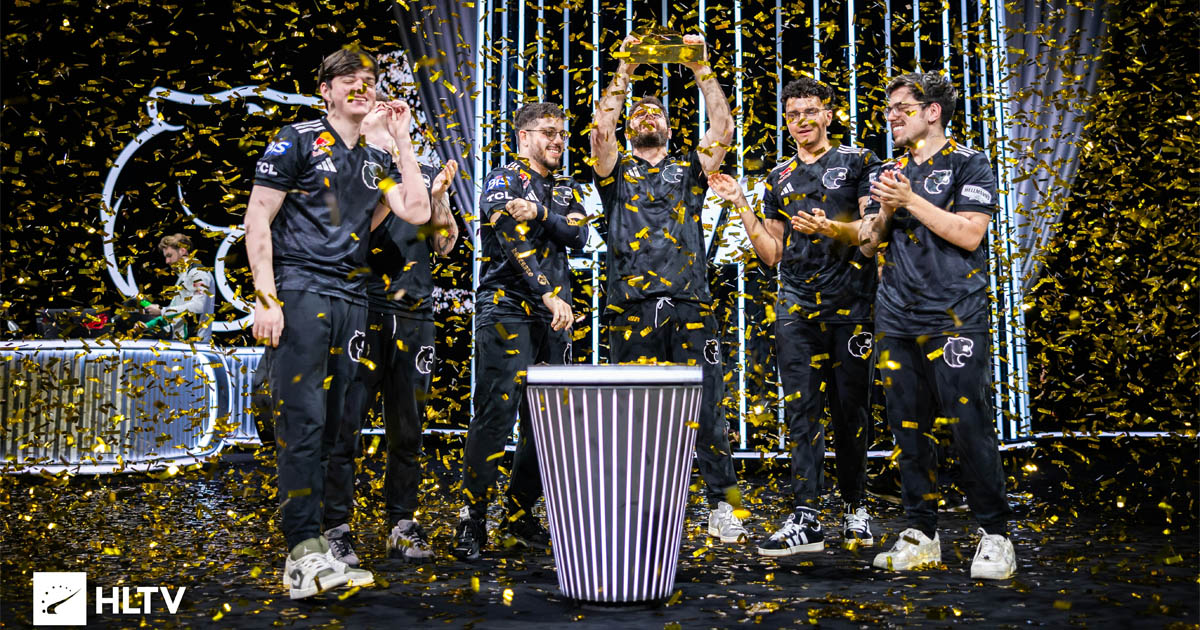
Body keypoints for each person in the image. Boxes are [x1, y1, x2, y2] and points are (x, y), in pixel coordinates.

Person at [244, 47, 431, 599]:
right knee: (302, 423)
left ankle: (321, 547)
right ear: (325, 90)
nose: (361, 86)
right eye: (348, 78)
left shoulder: (374, 159)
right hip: (301, 290)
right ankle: (300, 552)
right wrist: (266, 299)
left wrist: (403, 141)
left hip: (352, 298)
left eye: (368, 79)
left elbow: (418, 212)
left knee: (335, 428)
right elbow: (258, 217)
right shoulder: (297, 139)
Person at [707, 77, 881, 556]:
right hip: (796, 308)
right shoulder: (779, 177)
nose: (802, 121)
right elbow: (772, 254)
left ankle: (855, 507)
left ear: (828, 114)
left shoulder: (859, 161)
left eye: (810, 111)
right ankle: (806, 516)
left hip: (852, 308)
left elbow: (873, 233)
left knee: (850, 412)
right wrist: (741, 204)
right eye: (793, 114)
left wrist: (832, 229)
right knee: (802, 411)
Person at [859, 71, 1016, 580]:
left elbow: (969, 234)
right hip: (896, 317)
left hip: (955, 317)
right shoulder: (888, 172)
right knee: (908, 430)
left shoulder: (970, 162)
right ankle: (921, 533)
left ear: (932, 112)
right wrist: (885, 211)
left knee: (969, 427)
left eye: (902, 107)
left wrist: (910, 201)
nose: (891, 116)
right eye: (888, 108)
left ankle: (995, 535)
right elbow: (868, 245)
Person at [590, 34, 746, 543]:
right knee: (634, 414)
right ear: (629, 128)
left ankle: (722, 507)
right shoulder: (615, 171)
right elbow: (601, 130)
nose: (645, 116)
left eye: (654, 112)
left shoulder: (688, 170)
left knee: (708, 410)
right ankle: (638, 511)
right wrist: (625, 67)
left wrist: (701, 67)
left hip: (690, 305)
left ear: (670, 128)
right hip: (631, 309)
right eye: (638, 113)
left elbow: (723, 128)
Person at [453, 102, 589, 561]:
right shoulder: (502, 178)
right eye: (548, 132)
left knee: (547, 424)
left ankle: (518, 517)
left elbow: (579, 235)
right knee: (496, 414)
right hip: (508, 307)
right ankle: (472, 517)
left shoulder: (565, 188)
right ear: (523, 137)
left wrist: (540, 211)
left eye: (562, 134)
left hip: (555, 316)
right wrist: (547, 291)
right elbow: (512, 238)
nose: (558, 141)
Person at [322, 140, 459, 566]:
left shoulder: (425, 171)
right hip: (364, 306)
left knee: (408, 427)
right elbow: (344, 235)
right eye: (381, 112)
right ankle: (334, 528)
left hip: (416, 312)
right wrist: (391, 194)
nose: (391, 115)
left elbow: (445, 245)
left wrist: (438, 199)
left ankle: (401, 524)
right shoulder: (355, 167)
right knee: (346, 424)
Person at [144, 233, 215, 342]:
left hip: (195, 344)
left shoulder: (198, 273)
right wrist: (148, 325)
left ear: (182, 251)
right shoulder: (184, 276)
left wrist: (162, 311)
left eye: (169, 255)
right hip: (181, 343)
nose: (167, 261)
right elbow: (175, 315)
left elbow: (199, 306)